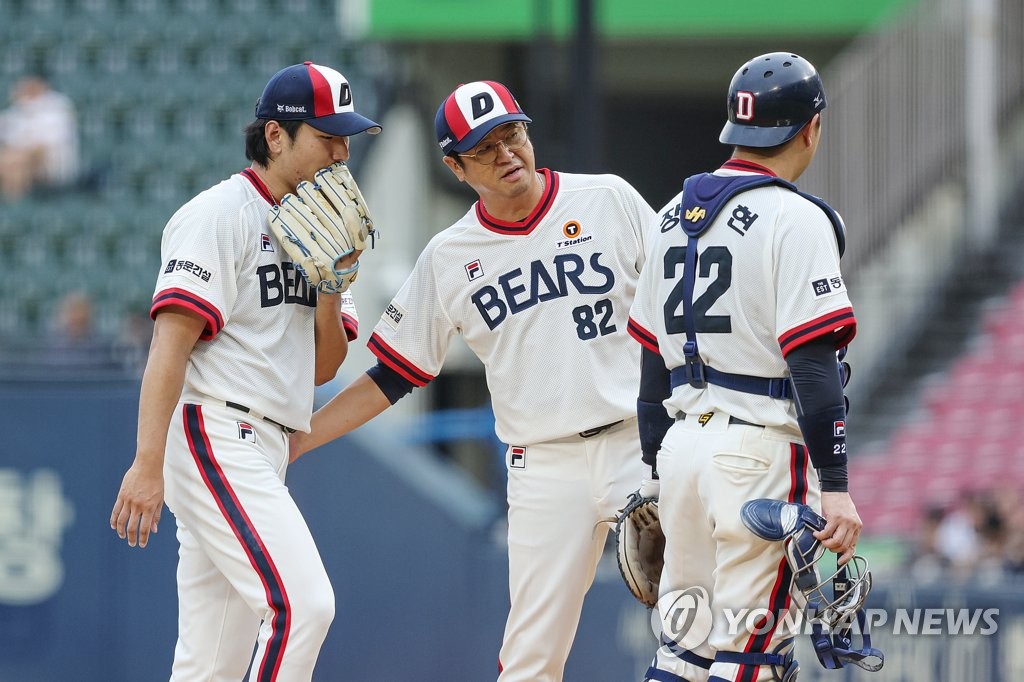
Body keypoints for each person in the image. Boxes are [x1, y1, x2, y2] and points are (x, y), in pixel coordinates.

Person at [290, 80, 658, 681]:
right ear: (455, 167)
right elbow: (393, 374)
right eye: (484, 148)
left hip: (635, 445)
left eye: (511, 133)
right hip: (541, 465)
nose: (506, 152)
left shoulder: (607, 200)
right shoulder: (449, 255)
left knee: (691, 611)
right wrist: (303, 436)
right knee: (531, 656)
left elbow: (679, 304)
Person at [108, 61, 380, 681]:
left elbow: (323, 368)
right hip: (215, 429)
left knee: (211, 661)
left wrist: (333, 288)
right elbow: (169, 347)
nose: (341, 153)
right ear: (276, 136)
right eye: (326, 135)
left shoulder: (326, 225)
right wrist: (147, 461)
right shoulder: (217, 215)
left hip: (268, 440)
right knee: (304, 606)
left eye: (346, 138)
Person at [628, 52, 863, 682]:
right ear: (811, 127)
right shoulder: (798, 218)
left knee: (683, 650)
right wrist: (836, 483)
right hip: (756, 456)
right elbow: (812, 366)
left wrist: (657, 471)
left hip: (682, 450)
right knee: (753, 654)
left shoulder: (669, 217)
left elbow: (651, 370)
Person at [0, 75, 79, 200]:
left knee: (15, 161)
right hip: (19, 161)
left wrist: (15, 154)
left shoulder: (57, 106)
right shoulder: (17, 108)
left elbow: (44, 146)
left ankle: (15, 206)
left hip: (54, 166)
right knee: (10, 161)